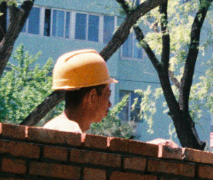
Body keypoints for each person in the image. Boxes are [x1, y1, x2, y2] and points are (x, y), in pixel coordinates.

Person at [43, 48, 178, 147]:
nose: (109, 104)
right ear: (92, 96)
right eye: (108, 96)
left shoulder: (58, 127)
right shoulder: (69, 131)